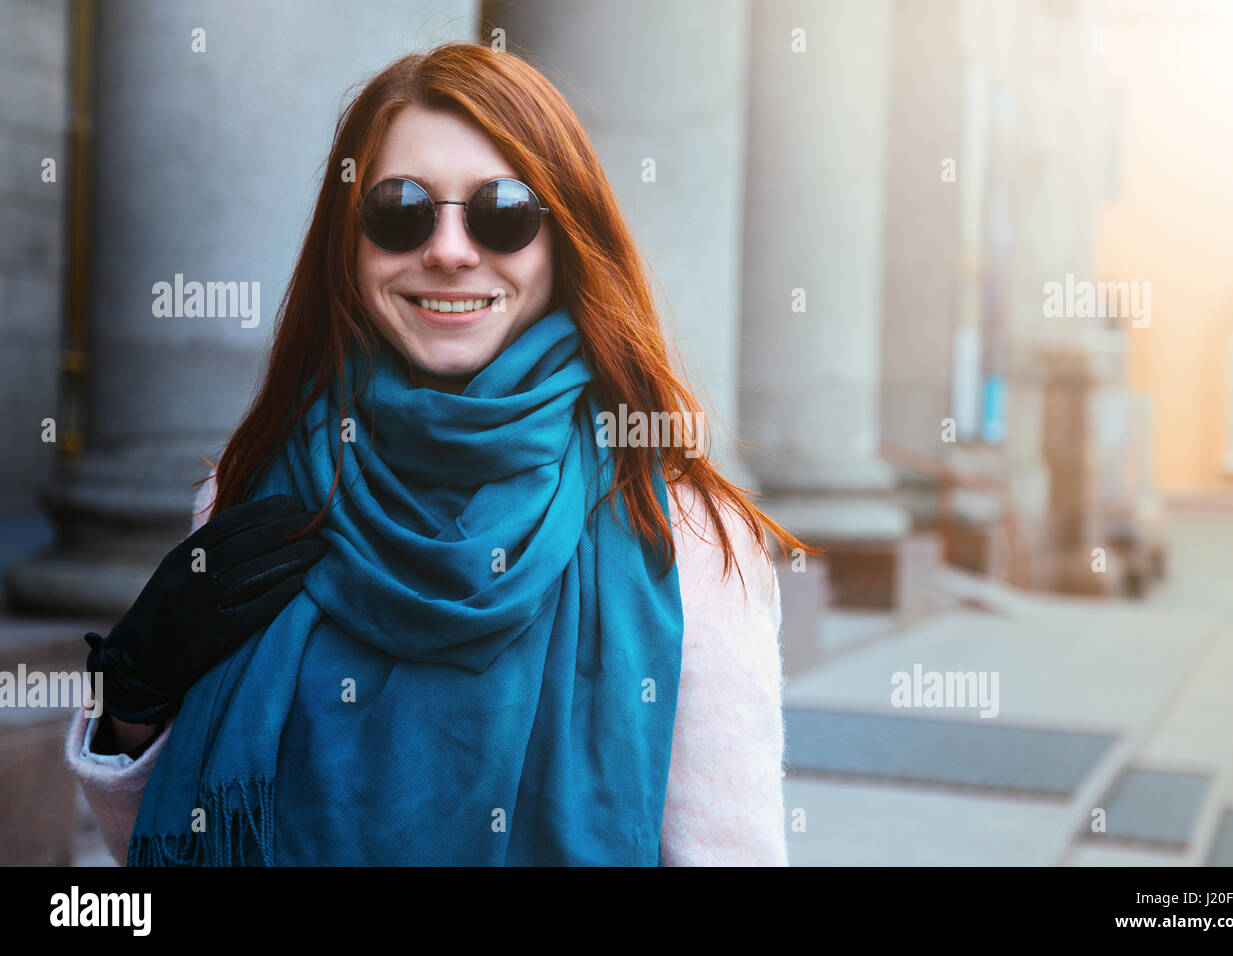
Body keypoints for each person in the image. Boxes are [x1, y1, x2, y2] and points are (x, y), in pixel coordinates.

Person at [64, 42, 809, 866]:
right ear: (348, 245)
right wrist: (130, 703)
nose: (450, 250)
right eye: (401, 210)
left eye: (504, 212)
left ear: (563, 240)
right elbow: (175, 843)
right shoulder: (253, 491)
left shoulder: (687, 535)